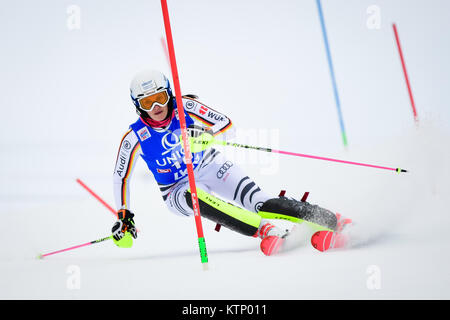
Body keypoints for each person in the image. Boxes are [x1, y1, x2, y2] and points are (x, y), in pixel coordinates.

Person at [111, 69, 346, 255]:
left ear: (168, 93)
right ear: (137, 105)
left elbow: (227, 126)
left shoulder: (185, 106)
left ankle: (329, 219)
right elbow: (121, 177)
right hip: (176, 189)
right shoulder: (134, 137)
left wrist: (204, 137)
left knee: (260, 202)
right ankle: (266, 230)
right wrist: (124, 213)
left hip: (210, 165)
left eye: (160, 98)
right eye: (147, 102)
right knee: (196, 197)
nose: (156, 107)